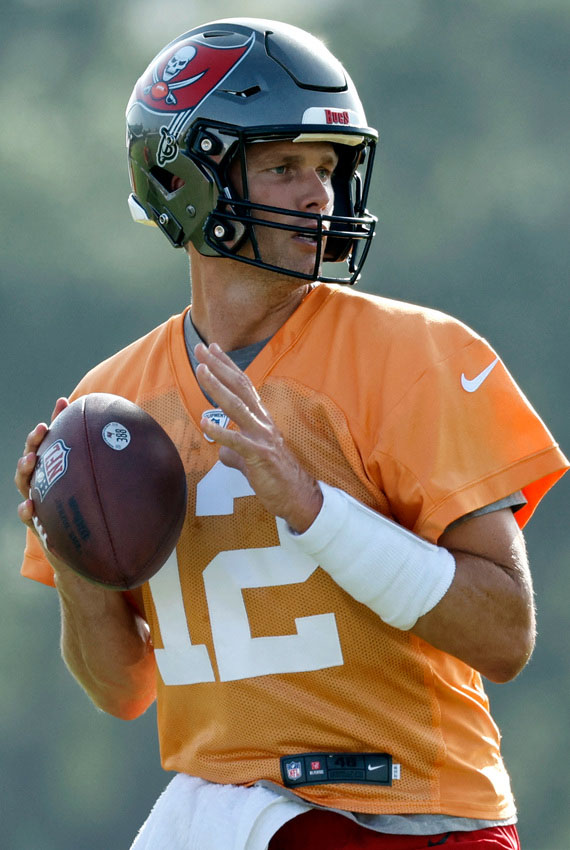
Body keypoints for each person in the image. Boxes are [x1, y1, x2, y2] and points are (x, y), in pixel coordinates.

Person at [15, 18, 568, 850]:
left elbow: (504, 634)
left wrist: (314, 509)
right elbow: (123, 689)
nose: (319, 195)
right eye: (283, 166)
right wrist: (77, 556)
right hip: (235, 817)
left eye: (328, 168)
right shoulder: (112, 400)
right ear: (184, 179)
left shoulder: (414, 354)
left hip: (412, 822)